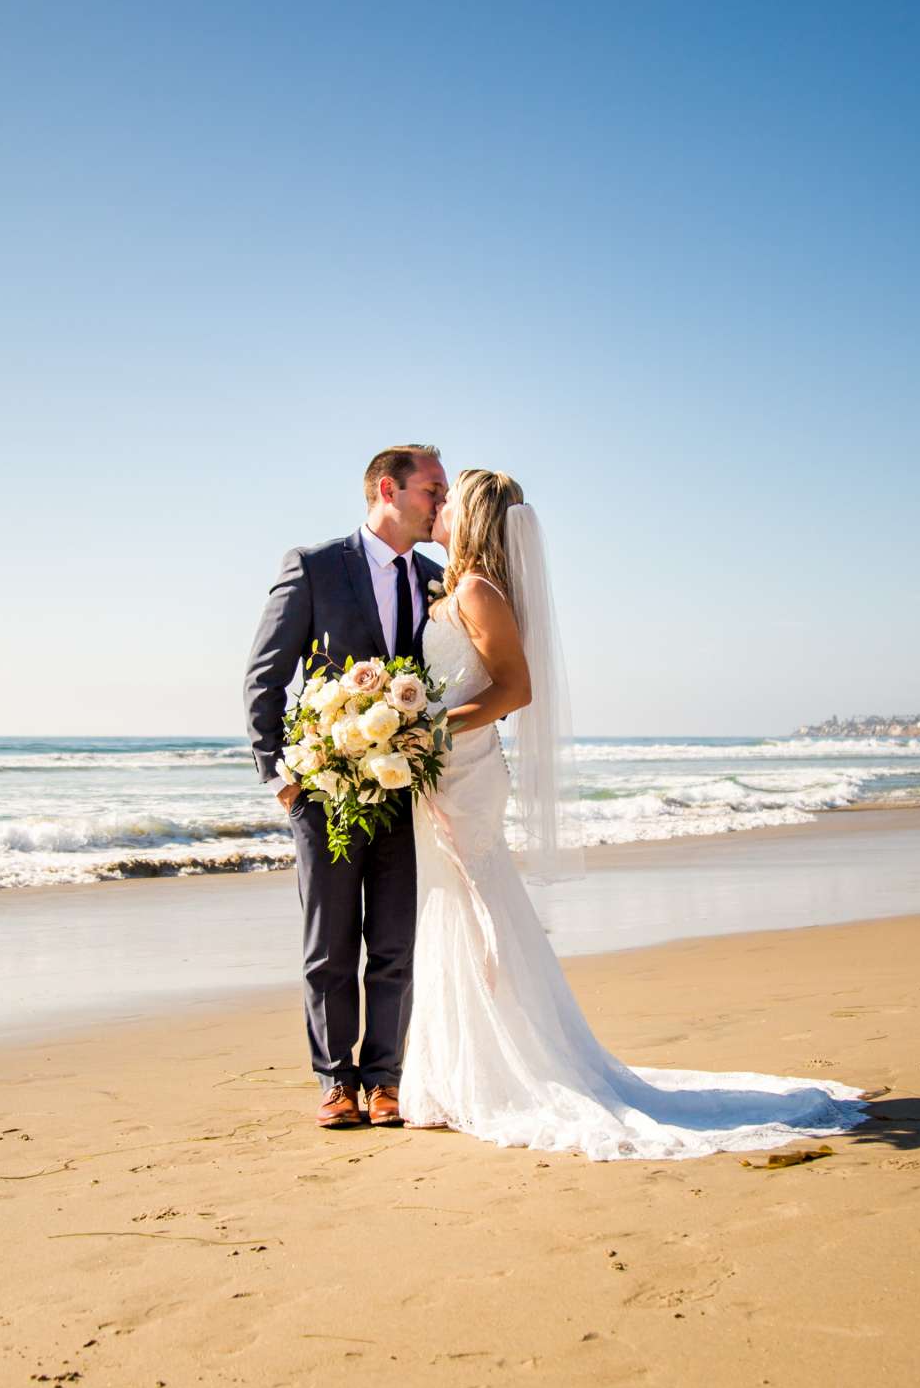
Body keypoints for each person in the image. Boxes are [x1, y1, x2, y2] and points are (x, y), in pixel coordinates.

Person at [395, 468, 863, 1159]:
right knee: (451, 901)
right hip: (445, 767)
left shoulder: (476, 591)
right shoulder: (459, 586)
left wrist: (430, 731)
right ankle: (454, 1071)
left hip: (464, 768)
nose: (437, 508)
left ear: (470, 517)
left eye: (448, 500)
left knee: (474, 901)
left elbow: (515, 689)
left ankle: (498, 1070)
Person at [244, 445, 448, 1130]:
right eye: (432, 491)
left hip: (403, 791)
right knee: (329, 944)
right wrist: (278, 776)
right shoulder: (313, 566)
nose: (440, 505)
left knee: (394, 942)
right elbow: (264, 676)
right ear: (387, 489)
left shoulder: (435, 579)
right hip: (324, 788)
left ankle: (385, 1079)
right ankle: (335, 1082)